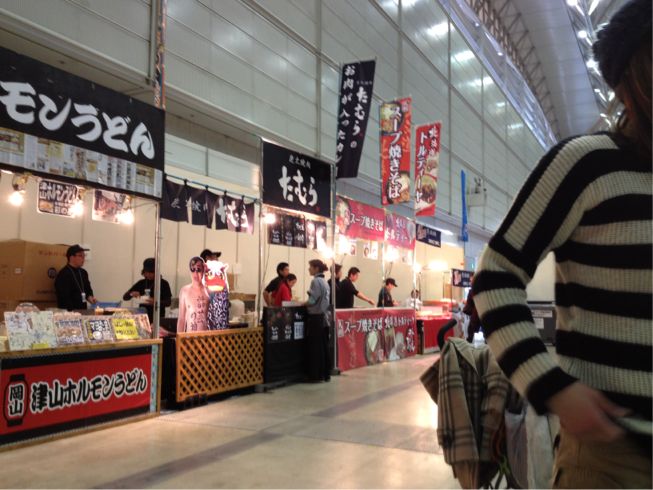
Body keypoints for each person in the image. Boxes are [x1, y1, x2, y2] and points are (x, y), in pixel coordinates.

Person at [472, 2, 651, 487]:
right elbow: (495, 277)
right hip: (612, 454)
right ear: (639, 77)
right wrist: (552, 385)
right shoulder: (586, 165)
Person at [122, 258, 172, 324]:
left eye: (150, 272)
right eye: (146, 272)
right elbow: (125, 297)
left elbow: (168, 302)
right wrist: (131, 294)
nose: (148, 275)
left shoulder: (163, 283)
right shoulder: (141, 283)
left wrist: (155, 302)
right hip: (142, 318)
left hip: (157, 319)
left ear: (156, 272)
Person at [305, 259, 331, 382]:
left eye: (310, 267)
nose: (309, 269)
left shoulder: (315, 281)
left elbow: (312, 300)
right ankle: (325, 374)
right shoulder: (325, 282)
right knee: (323, 347)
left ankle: (315, 375)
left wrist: (303, 303)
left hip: (315, 317)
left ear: (316, 268)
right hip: (323, 317)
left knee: (315, 348)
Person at [55, 244, 97, 310]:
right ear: (71, 257)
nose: (83, 258)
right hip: (69, 312)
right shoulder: (63, 274)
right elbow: (64, 297)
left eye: (84, 256)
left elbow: (88, 290)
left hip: (83, 310)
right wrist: (72, 312)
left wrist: (91, 298)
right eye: (80, 256)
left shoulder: (83, 272)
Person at [177, 257, 210, 333]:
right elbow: (181, 319)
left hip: (206, 337)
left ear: (203, 271)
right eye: (192, 269)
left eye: (198, 270)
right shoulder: (184, 291)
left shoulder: (208, 290)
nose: (195, 273)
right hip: (190, 337)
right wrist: (179, 337)